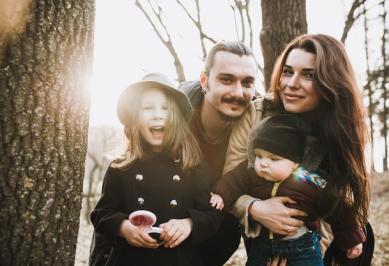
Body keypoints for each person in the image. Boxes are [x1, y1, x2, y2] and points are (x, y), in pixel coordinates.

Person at [224, 34, 372, 265]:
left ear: (329, 82)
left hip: (308, 243)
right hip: (260, 238)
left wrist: (300, 255)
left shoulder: (340, 129)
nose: (291, 83)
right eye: (287, 71)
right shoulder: (257, 113)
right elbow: (231, 176)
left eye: (309, 75)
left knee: (362, 235)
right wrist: (254, 208)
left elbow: (334, 203)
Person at [90, 73, 223, 266]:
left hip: (179, 260)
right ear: (134, 118)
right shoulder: (122, 166)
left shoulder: (192, 165)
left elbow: (212, 215)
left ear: (176, 118)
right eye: (148, 108)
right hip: (131, 259)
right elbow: (102, 213)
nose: (157, 114)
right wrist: (124, 227)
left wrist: (189, 224)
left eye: (165, 108)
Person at [213, 113, 365, 265]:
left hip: (302, 246)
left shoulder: (309, 179)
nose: (263, 163)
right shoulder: (252, 173)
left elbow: (337, 206)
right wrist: (221, 194)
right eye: (259, 156)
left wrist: (352, 239)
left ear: (295, 163)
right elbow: (232, 180)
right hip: (262, 244)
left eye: (274, 159)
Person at [179, 41, 259, 265]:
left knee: (225, 234)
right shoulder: (173, 114)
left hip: (221, 225)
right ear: (204, 81)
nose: (238, 92)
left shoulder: (261, 120)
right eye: (226, 79)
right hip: (173, 216)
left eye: (247, 82)